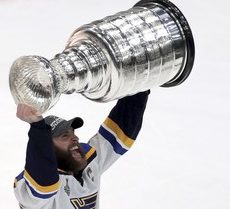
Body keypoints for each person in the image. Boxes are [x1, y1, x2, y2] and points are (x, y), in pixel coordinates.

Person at [14, 90, 150, 209]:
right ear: (48, 149)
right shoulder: (28, 188)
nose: (75, 138)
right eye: (64, 135)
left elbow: (120, 132)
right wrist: (38, 127)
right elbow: (43, 184)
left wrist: (140, 86)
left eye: (73, 132)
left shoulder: (89, 159)